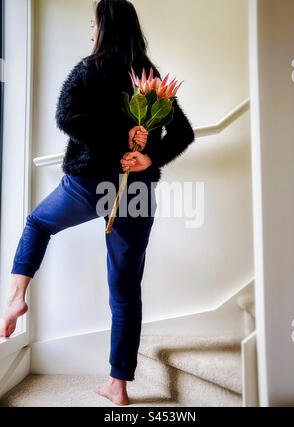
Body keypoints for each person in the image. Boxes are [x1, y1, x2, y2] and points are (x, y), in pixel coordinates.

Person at [0, 0, 195, 406]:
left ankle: (16, 296)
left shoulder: (89, 69)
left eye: (92, 24)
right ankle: (118, 386)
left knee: (38, 224)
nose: (90, 31)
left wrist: (116, 145)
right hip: (135, 189)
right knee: (125, 292)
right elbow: (183, 133)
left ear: (104, 26)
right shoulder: (149, 76)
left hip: (87, 184)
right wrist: (143, 156)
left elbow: (66, 116)